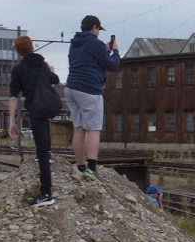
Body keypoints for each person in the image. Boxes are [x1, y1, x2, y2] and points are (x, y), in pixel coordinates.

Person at [8, 35, 61, 207]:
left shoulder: (19, 69)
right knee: (44, 135)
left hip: (36, 108)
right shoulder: (43, 65)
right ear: (32, 47)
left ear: (18, 51)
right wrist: (47, 68)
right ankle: (46, 154)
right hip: (49, 105)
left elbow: (13, 97)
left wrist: (12, 121)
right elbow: (56, 80)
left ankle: (46, 193)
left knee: (42, 150)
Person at [67, 15, 121, 180]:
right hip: (89, 89)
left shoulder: (75, 43)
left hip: (71, 88)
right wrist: (116, 51)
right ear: (95, 28)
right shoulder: (94, 43)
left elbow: (88, 57)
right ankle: (91, 167)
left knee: (79, 128)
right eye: (98, 30)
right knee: (94, 129)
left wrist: (104, 49)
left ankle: (80, 165)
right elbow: (112, 65)